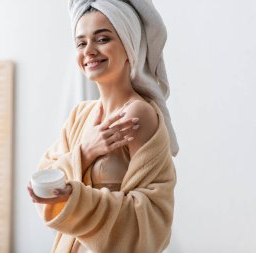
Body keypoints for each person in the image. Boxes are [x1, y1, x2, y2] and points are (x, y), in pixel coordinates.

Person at [27, 0, 179, 252]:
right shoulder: (80, 115)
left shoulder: (137, 114)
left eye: (102, 39)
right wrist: (86, 152)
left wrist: (74, 199)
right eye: (81, 42)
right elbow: (45, 180)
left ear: (129, 46)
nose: (89, 50)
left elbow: (148, 219)